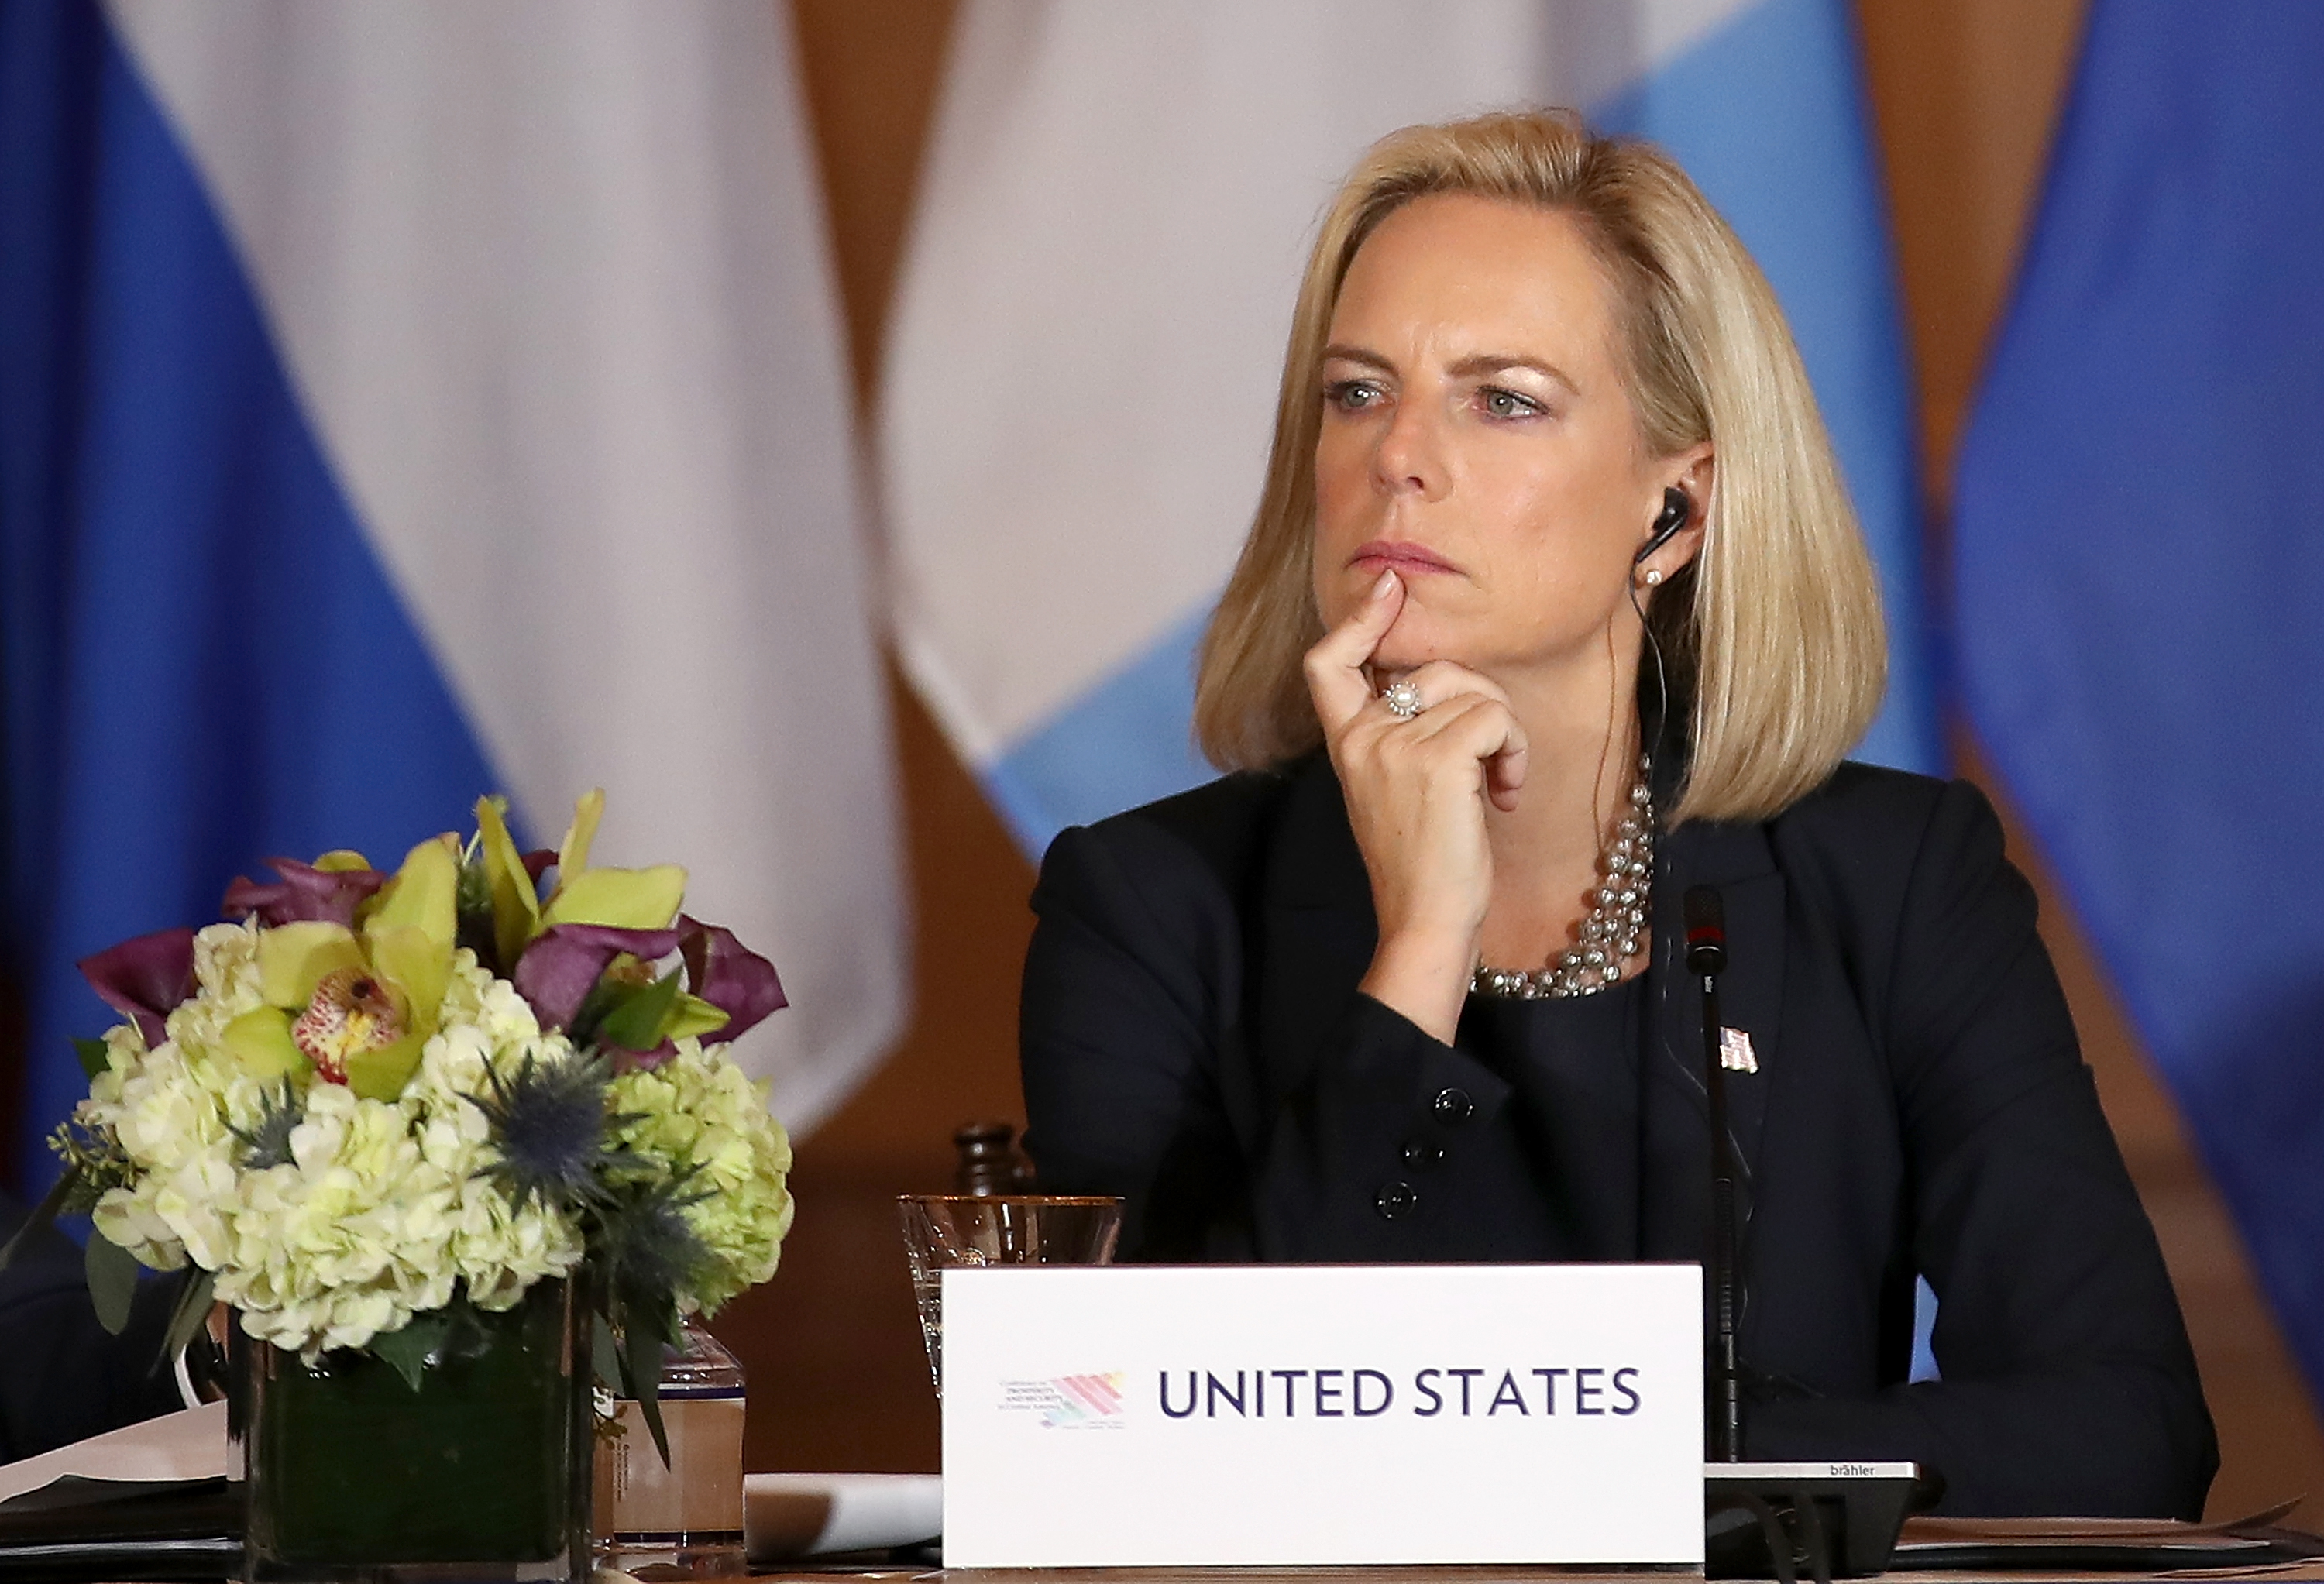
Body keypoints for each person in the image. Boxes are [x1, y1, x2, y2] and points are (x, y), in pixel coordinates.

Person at [1017, 110, 2216, 1518]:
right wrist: (1417, 956)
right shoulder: (1148, 908)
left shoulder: (1894, 882)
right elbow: (1133, 1456)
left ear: (1677, 509)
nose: (1400, 455)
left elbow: (2123, 1423)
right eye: (1357, 392)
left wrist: (1618, 1458)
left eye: (1502, 398)